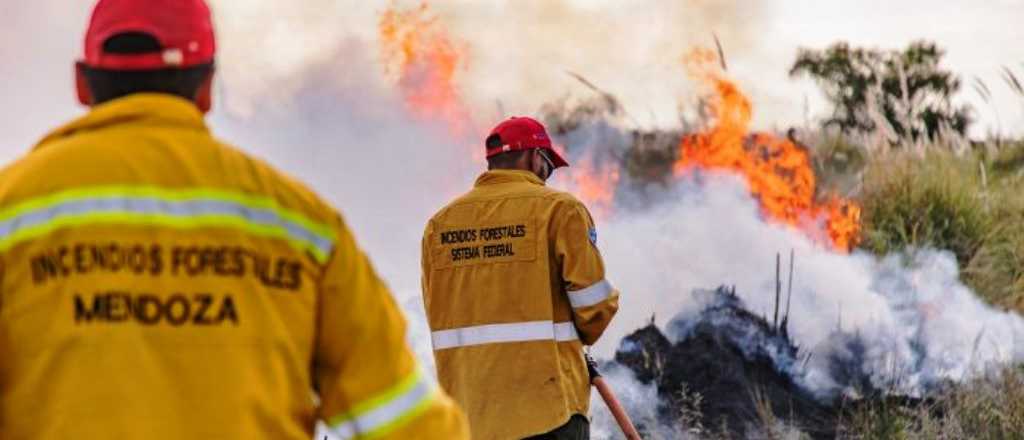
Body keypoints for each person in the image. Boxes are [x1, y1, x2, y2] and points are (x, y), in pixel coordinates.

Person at [0, 1, 468, 439]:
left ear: (83, 83)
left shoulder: (12, 211)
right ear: (206, 88)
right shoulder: (302, 227)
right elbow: (405, 422)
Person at [421, 116, 620, 439]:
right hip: (548, 411)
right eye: (548, 165)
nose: (548, 175)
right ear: (532, 157)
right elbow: (594, 308)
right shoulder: (560, 209)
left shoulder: (438, 225)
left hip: (471, 415)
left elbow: (437, 310)